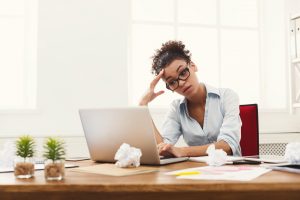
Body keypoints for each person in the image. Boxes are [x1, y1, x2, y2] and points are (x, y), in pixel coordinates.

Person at [139, 40, 242, 157]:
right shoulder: (176, 108)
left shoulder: (227, 96)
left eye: (183, 73)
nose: (181, 83)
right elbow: (163, 147)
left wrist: (183, 151)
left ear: (192, 66)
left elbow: (227, 146)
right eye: (172, 82)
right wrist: (143, 106)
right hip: (196, 171)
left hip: (231, 170)